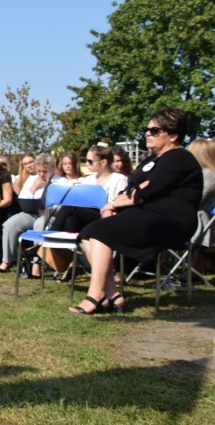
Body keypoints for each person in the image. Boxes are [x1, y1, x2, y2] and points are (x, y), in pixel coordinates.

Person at [74, 107, 203, 314]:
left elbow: (148, 190)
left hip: (171, 221)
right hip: (144, 215)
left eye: (155, 130)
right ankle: (112, 293)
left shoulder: (180, 158)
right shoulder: (151, 160)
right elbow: (130, 189)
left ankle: (95, 294)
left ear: (173, 135)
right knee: (87, 233)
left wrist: (113, 205)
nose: (147, 134)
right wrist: (113, 207)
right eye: (147, 129)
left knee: (100, 232)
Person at [0, 154, 56, 274]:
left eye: (45, 172)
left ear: (52, 169)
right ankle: (7, 260)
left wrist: (47, 210)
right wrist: (34, 187)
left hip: (49, 215)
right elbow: (23, 198)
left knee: (40, 224)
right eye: (39, 171)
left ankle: (36, 264)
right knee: (10, 224)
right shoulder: (33, 179)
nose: (41, 175)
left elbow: (61, 205)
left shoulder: (59, 181)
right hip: (31, 213)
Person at [48, 145, 129, 234]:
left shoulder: (119, 179)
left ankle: (49, 236)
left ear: (103, 162)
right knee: (70, 220)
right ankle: (63, 246)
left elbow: (121, 203)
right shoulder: (89, 179)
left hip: (107, 215)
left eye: (90, 161)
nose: (86, 164)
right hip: (89, 215)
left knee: (70, 206)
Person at [187, 138, 215, 272]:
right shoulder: (200, 173)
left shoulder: (209, 174)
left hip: (200, 218)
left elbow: (195, 199)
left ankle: (193, 272)